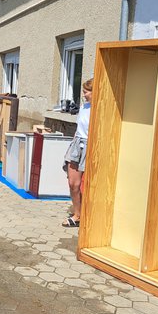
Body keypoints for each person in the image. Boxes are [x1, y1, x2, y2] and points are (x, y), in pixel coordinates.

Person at [62, 78, 93, 228]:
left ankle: (90, 216)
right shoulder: (84, 106)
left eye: (87, 92)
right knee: (73, 183)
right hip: (77, 144)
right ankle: (77, 214)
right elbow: (78, 128)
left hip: (91, 145)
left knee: (89, 185)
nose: (84, 95)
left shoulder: (102, 109)